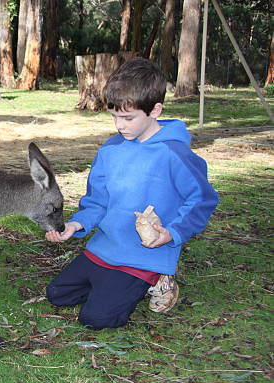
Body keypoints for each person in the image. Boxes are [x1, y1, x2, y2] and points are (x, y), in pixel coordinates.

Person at [45, 58, 219, 330]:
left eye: (128, 117)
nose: (119, 125)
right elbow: (97, 201)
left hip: (145, 252)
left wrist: (172, 233)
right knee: (58, 294)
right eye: (114, 116)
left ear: (155, 110)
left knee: (97, 319)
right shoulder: (110, 150)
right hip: (106, 246)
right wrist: (75, 225)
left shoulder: (174, 153)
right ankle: (115, 286)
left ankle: (157, 277)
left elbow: (202, 199)